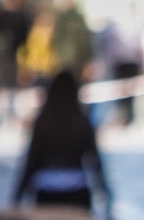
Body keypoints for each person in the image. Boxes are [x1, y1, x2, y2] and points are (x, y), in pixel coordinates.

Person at [12, 70, 109, 212]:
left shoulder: (43, 122)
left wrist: (17, 196)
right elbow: (95, 160)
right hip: (77, 191)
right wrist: (104, 190)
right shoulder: (82, 121)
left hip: (47, 191)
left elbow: (32, 160)